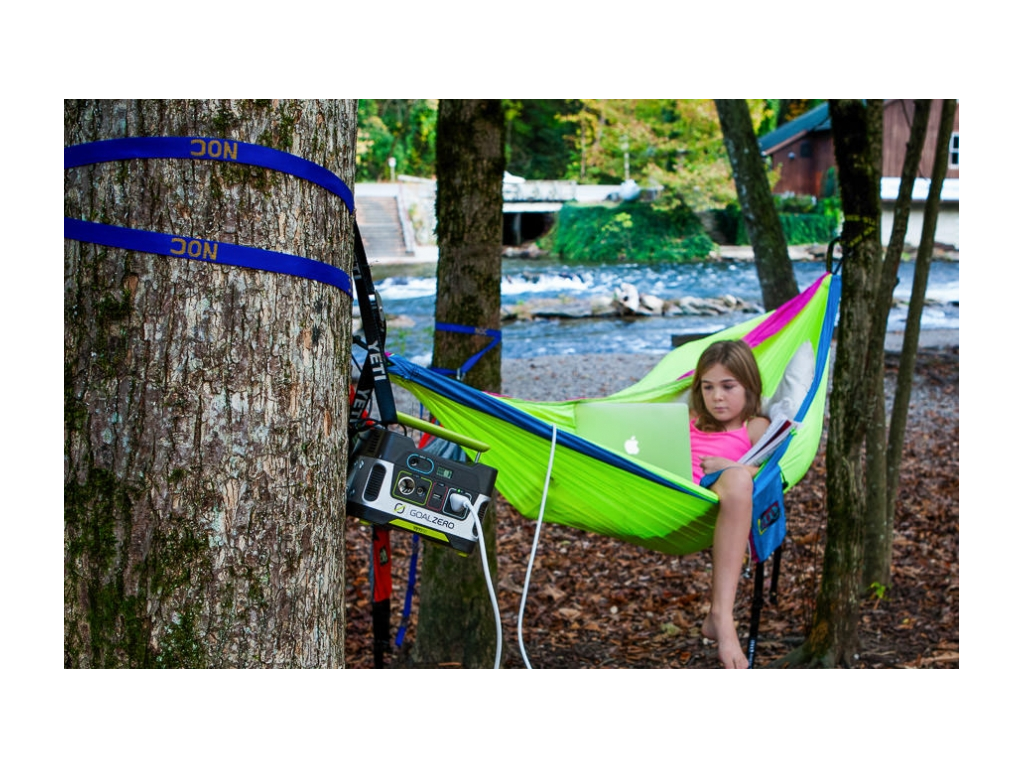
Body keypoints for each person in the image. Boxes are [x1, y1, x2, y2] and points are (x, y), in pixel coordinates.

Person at [689, 340, 769, 669]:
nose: (717, 396)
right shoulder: (689, 418)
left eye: (727, 386)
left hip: (721, 500)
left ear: (748, 386)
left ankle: (722, 616)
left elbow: (770, 476)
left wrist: (729, 467)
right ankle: (718, 617)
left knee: (739, 480)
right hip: (674, 496)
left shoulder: (755, 426)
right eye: (708, 387)